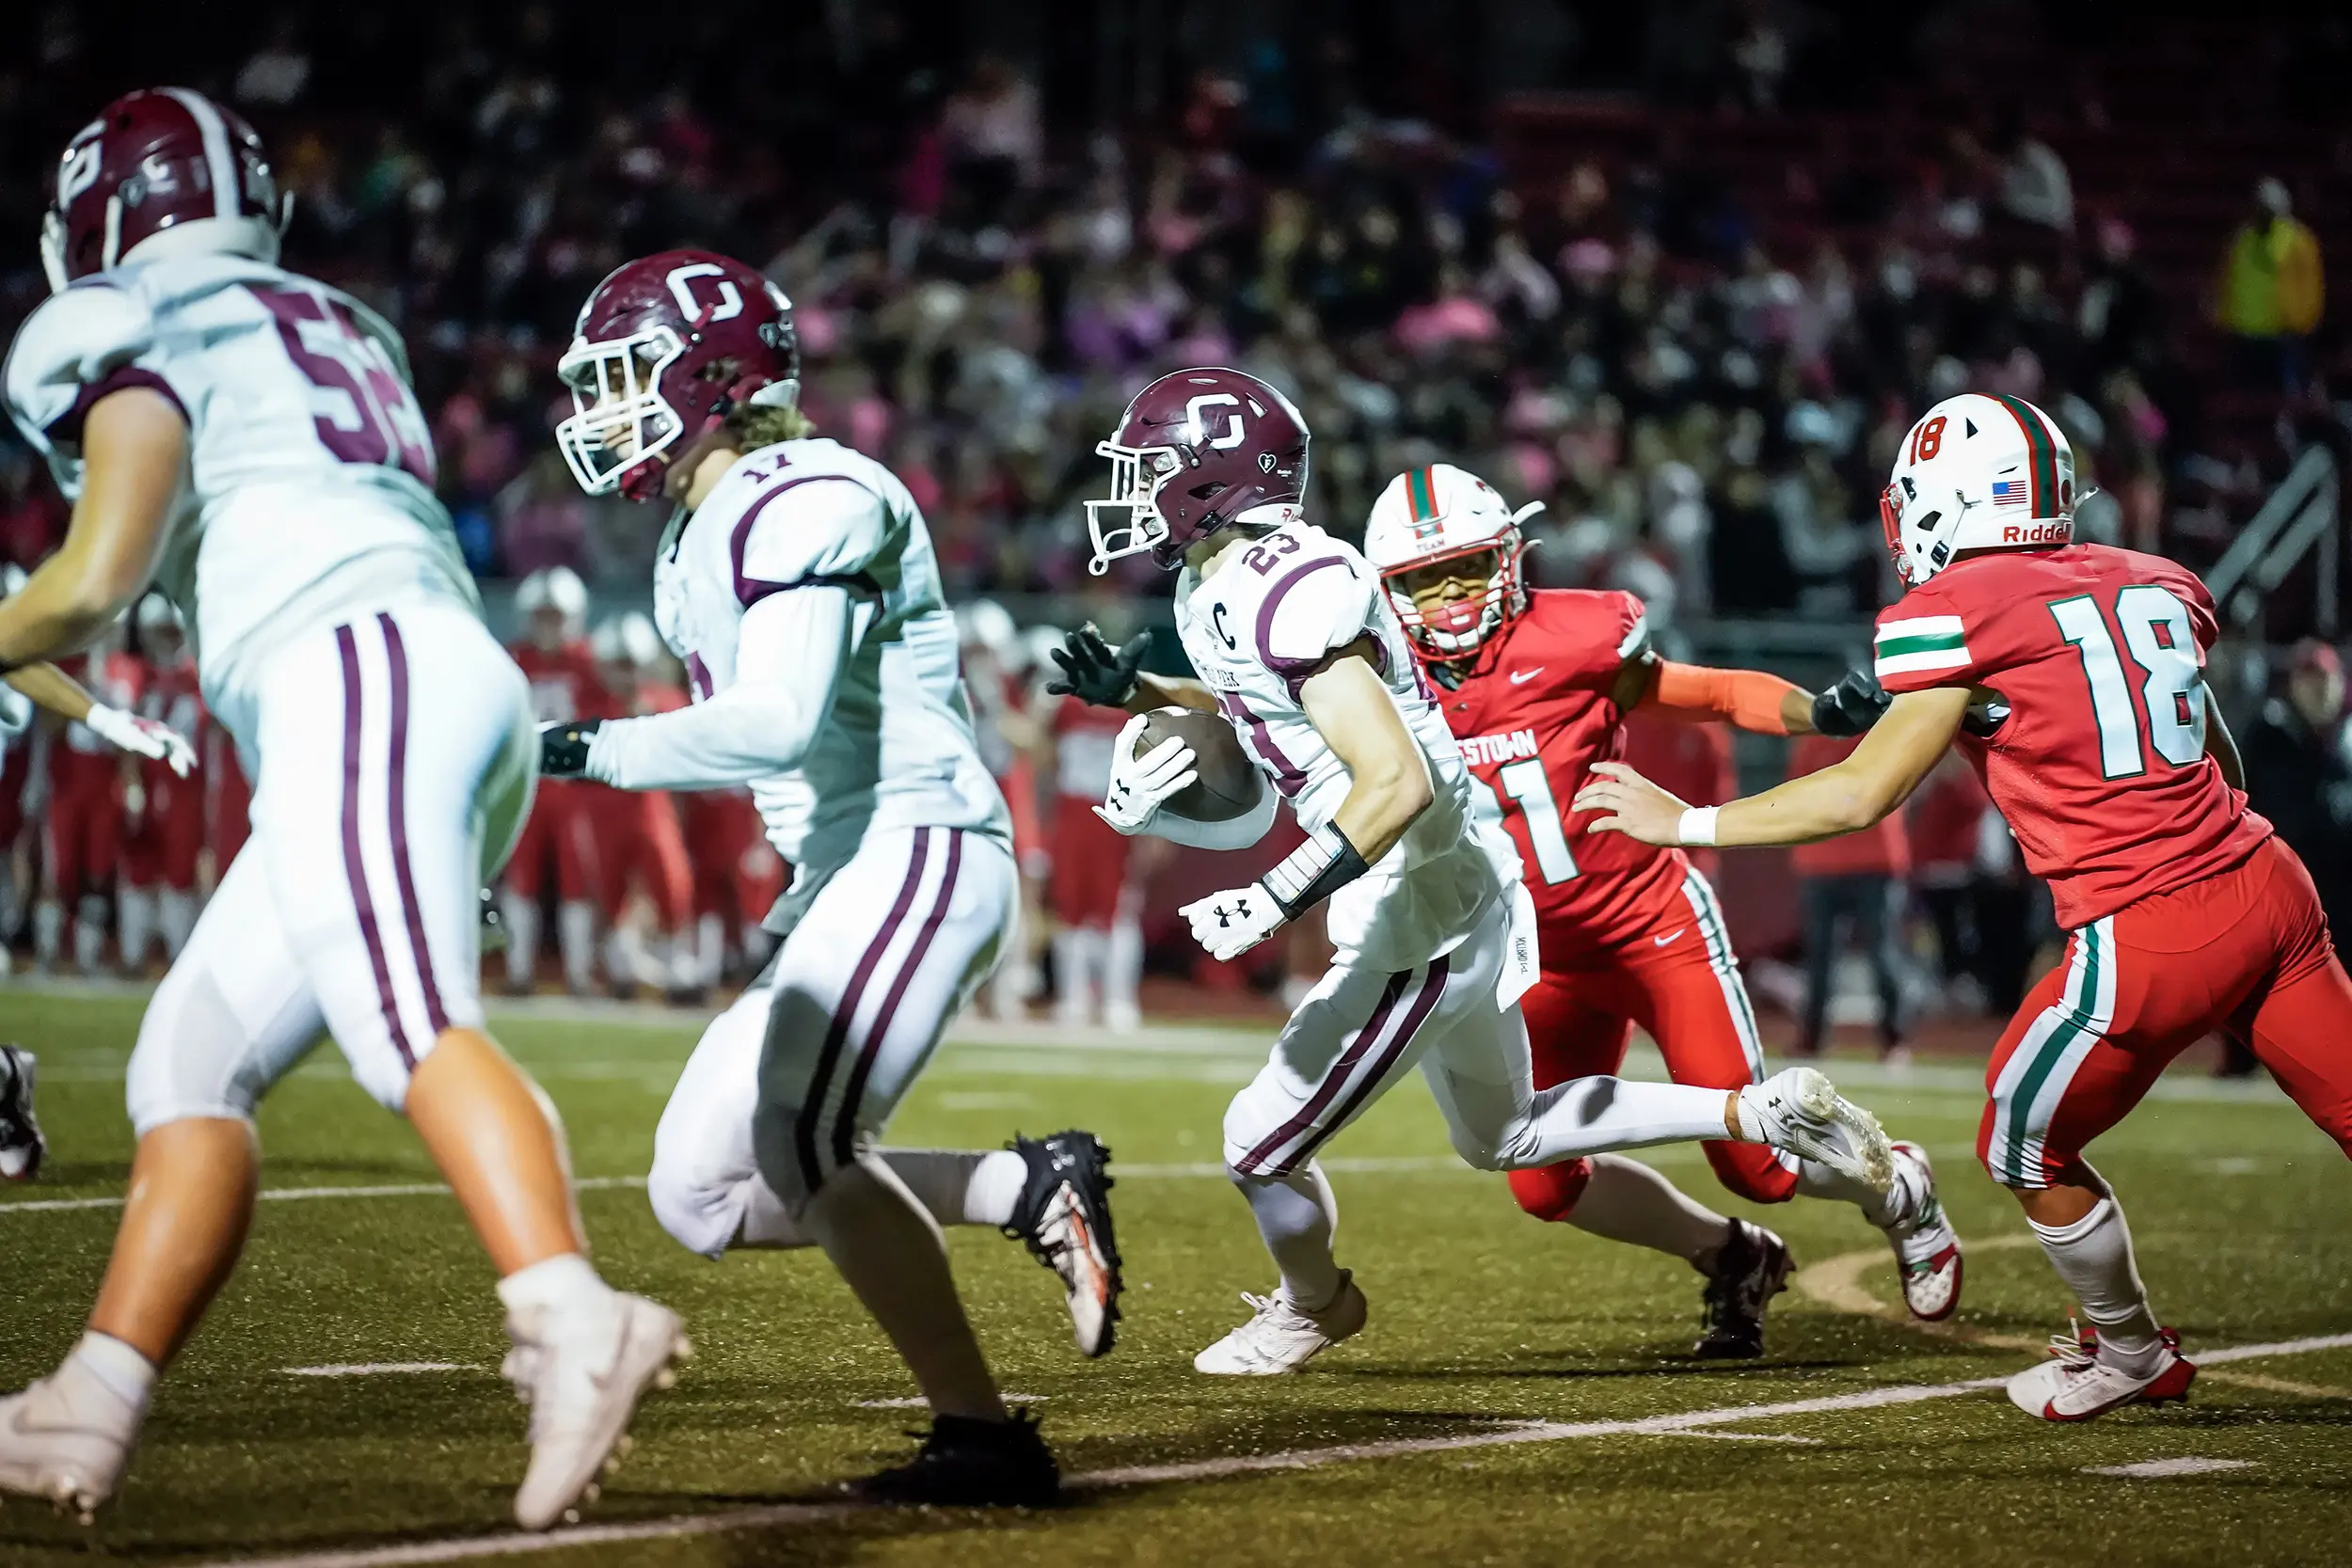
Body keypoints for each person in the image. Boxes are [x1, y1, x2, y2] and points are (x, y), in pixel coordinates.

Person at [0, 89, 682, 1528]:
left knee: (410, 1025)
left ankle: (572, 1307)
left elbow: (94, 577)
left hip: (355, 670)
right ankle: (92, 1399)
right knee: (186, 1061)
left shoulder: (118, 317)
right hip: (426, 674)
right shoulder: (335, 321)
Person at [1054, 366, 1894, 1377]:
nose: (1133, 488)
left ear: (1211, 475)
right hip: (1450, 882)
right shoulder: (1222, 581)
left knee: (1256, 1141)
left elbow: (1394, 777)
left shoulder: (1287, 588)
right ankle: (1753, 1113)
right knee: (1505, 1137)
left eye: (1150, 466)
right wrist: (1141, 687)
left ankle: (1314, 1302)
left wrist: (1273, 893)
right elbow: (1272, 705)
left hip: (1418, 901)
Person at [1577, 391, 2352, 1422]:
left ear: (1941, 506)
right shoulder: (2150, 580)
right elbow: (2221, 758)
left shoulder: (1959, 612)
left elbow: (1860, 791)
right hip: (2268, 883)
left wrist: (1687, 824)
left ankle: (2124, 1348)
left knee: (2016, 1137)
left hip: (2148, 923)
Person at [538, 249, 1119, 1505]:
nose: (602, 407)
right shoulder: (702, 525)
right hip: (843, 867)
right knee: (698, 1189)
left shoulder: (812, 491)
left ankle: (980, 1433)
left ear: (713, 373)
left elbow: (777, 720)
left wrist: (573, 747)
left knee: (801, 1137)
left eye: (628, 375)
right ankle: (1029, 1181)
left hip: (919, 842)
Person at [1363, 462, 1960, 1357]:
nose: (1446, 596)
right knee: (1542, 1183)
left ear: (1511, 560)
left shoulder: (1577, 634)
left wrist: (1815, 712)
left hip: (1650, 925)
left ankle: (1901, 1185)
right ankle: (1732, 1259)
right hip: (1534, 955)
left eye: (1467, 568)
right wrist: (1146, 697)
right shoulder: (1377, 673)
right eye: (1420, 578)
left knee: (1760, 1163)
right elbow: (1250, 714)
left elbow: (1705, 690)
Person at [501, 564, 608, 995]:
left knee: (576, 878)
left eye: (556, 615)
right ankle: (518, 970)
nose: (548, 624)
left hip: (573, 789)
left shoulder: (590, 661)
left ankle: (579, 972)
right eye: (542, 615)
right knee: (520, 877)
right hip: (527, 784)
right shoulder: (514, 660)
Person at [1787, 729, 1915, 1062]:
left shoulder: (1881, 737)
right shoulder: (1817, 742)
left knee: (1882, 955)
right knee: (1820, 959)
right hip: (1824, 862)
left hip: (1871, 863)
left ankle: (1893, 1041)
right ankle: (1813, 1039)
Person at [118, 595, 207, 971]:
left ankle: (180, 955)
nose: (162, 640)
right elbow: (128, 734)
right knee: (139, 867)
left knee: (179, 870)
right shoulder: (140, 675)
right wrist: (132, 782)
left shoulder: (196, 676)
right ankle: (133, 954)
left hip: (186, 786)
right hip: (150, 782)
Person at [2216, 178, 2324, 393]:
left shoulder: (2299, 240)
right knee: (2244, 395)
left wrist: (2302, 322)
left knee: (2288, 393)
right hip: (2245, 332)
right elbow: (2229, 278)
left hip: (2284, 333)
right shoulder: (2243, 238)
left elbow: (2310, 286)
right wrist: (2226, 316)